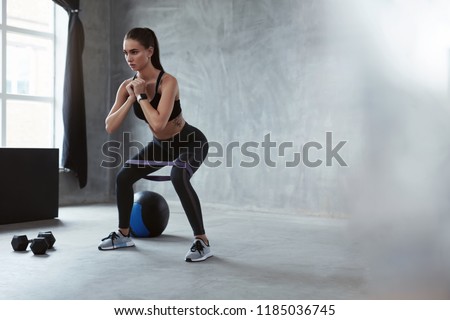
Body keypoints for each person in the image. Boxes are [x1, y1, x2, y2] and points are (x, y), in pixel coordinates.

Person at [98, 27, 212, 262]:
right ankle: (123, 235)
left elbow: (160, 124)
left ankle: (202, 241)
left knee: (179, 176)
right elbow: (110, 126)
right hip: (161, 146)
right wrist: (130, 97)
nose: (129, 58)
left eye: (135, 52)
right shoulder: (126, 86)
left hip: (189, 142)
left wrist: (141, 96)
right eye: (125, 53)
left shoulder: (167, 82)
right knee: (124, 177)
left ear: (150, 51)